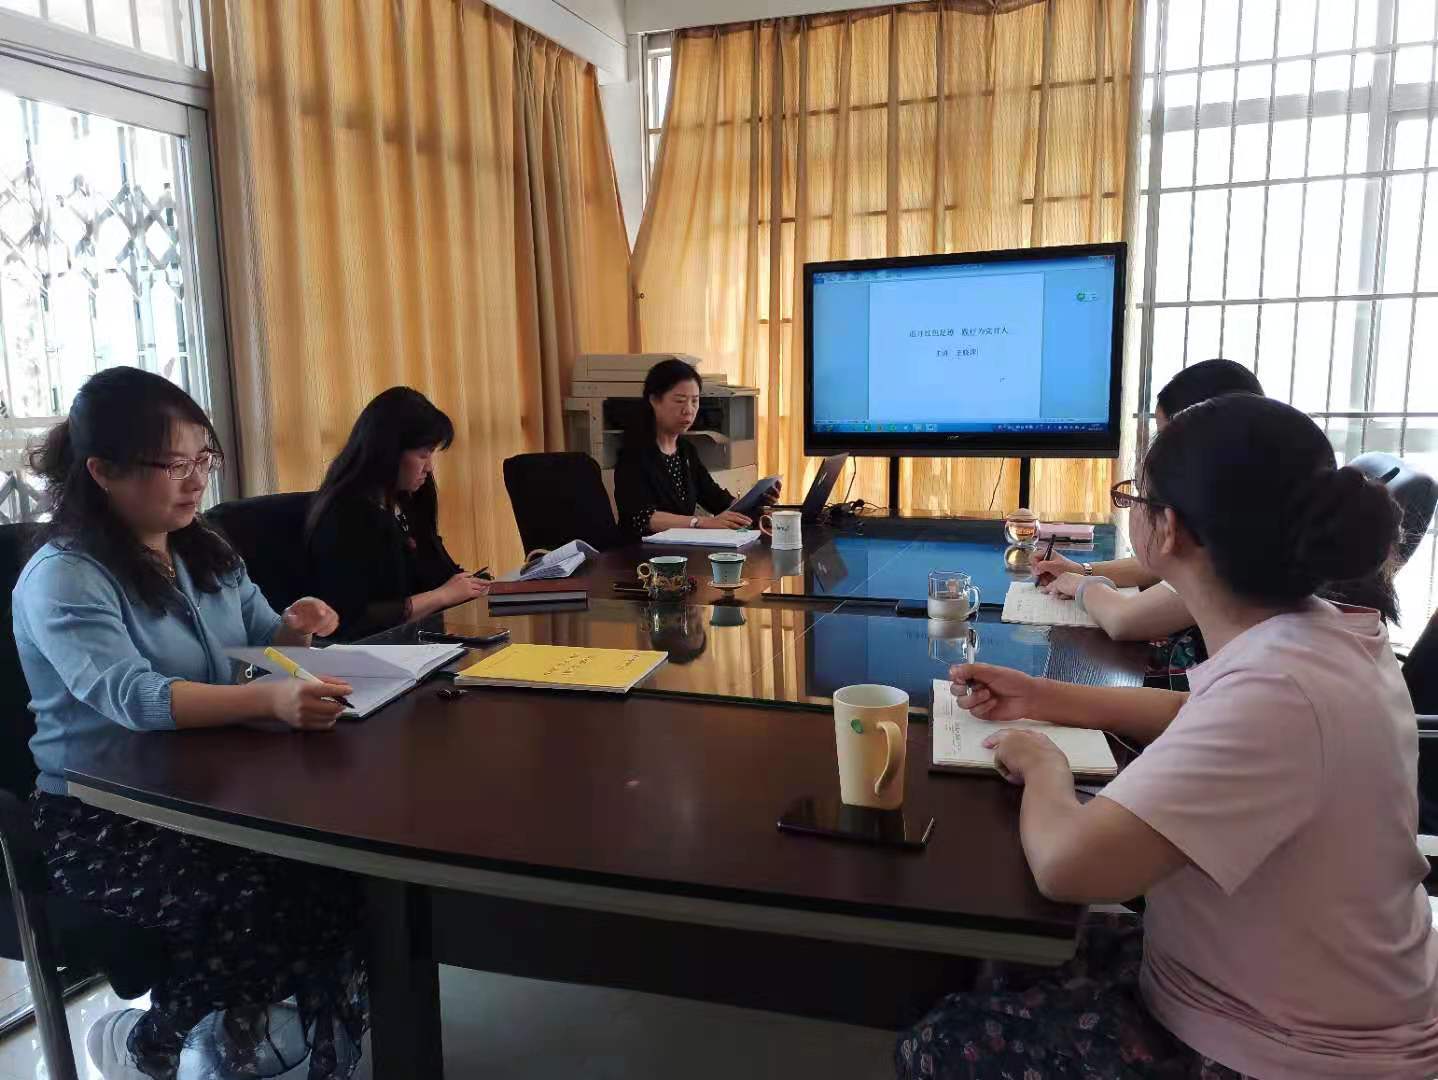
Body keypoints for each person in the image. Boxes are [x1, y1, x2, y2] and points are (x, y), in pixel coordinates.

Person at [897, 394, 1438, 1079]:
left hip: (1283, 1050)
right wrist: (1042, 696)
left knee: (939, 1041)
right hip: (1288, 994)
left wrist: (1043, 764)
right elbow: (1202, 715)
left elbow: (1068, 865)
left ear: (1169, 528)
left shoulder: (1278, 690)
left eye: (1136, 497)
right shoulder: (1322, 632)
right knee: (997, 960)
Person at [12, 367, 366, 1080]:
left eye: (204, 459)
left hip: (214, 781)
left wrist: (296, 629)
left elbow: (259, 639)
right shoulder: (65, 575)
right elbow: (134, 698)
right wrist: (267, 702)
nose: (196, 480)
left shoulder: (204, 547)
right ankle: (154, 1042)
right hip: (103, 812)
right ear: (103, 471)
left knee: (337, 870)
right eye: (174, 465)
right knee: (254, 895)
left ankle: (236, 1036)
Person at [1032, 359, 1266, 644]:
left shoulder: (1237, 548)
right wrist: (1082, 570)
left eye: (1167, 438)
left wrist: (1083, 585)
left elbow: (1124, 619)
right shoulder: (1248, 508)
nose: (1161, 454)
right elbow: (1165, 565)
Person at [305, 387, 488, 641]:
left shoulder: (410, 496)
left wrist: (473, 586)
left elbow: (440, 569)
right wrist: (442, 595)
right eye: (423, 454)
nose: (429, 467)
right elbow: (354, 617)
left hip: (427, 639)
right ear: (388, 452)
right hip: (376, 650)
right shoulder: (341, 515)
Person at [614, 359, 780, 540]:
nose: (689, 410)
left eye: (695, 401)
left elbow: (717, 499)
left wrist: (756, 505)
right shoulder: (633, 454)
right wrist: (700, 522)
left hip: (680, 548)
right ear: (654, 400)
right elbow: (641, 517)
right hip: (642, 552)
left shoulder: (686, 450)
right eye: (679, 400)